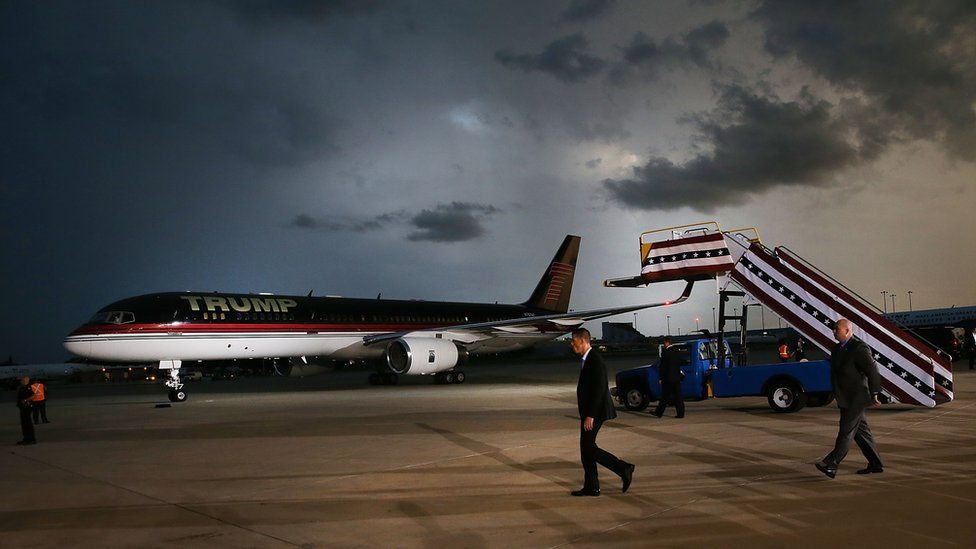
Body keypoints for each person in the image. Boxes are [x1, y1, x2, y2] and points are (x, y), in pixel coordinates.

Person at [569, 328, 635, 496]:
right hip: (591, 412)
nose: (571, 344)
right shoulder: (588, 359)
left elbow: (599, 389)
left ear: (582, 341)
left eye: (573, 341)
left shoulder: (595, 360)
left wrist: (590, 415)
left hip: (595, 412)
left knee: (589, 448)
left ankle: (623, 468)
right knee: (586, 449)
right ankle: (592, 486)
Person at [815, 318, 883, 478]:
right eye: (833, 329)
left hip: (857, 397)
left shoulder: (858, 347)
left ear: (847, 330)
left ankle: (832, 464)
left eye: (836, 329)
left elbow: (872, 371)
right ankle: (875, 463)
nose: (833, 331)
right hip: (845, 397)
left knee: (846, 431)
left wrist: (875, 392)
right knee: (862, 433)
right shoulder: (836, 349)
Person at [652, 337, 685, 418]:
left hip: (668, 378)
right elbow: (682, 361)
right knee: (678, 397)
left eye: (664, 343)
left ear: (667, 343)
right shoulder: (676, 351)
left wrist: (660, 378)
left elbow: (663, 367)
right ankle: (680, 414)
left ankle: (659, 413)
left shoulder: (665, 352)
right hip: (676, 377)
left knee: (664, 397)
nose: (663, 345)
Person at [16, 377, 36, 445]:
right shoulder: (23, 387)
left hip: (26, 407)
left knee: (27, 423)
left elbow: (33, 396)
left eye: (22, 380)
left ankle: (30, 439)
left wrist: (25, 400)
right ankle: (26, 438)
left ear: (25, 381)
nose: (21, 381)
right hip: (23, 407)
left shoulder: (27, 388)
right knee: (24, 424)